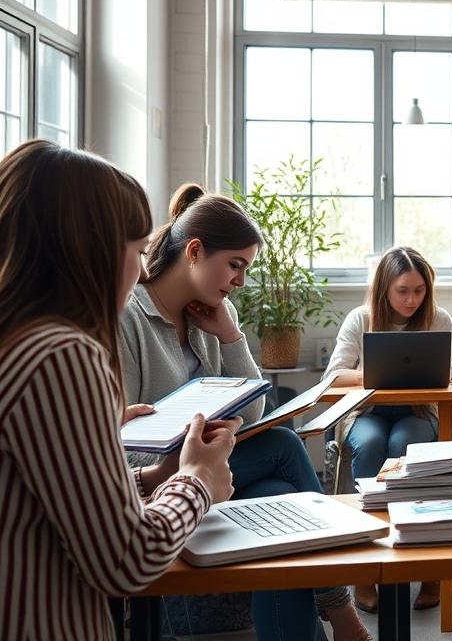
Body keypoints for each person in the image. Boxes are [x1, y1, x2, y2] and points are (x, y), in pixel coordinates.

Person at [0, 140, 235, 640]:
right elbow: (127, 561)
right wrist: (197, 480)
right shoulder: (61, 355)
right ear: (85, 250)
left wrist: (142, 477)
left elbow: (17, 502)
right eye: (138, 251)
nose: (143, 270)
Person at [121, 183, 368, 641]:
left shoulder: (212, 315)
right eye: (235, 265)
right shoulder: (131, 317)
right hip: (163, 473)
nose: (239, 281)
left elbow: (253, 413)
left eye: (245, 269)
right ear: (194, 251)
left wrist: (231, 338)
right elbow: (123, 446)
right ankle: (342, 613)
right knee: (283, 446)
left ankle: (339, 618)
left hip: (217, 467)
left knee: (277, 489)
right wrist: (180, 461)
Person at [323, 245, 452, 613]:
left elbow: (448, 375)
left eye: (419, 290)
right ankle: (367, 567)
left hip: (416, 412)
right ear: (384, 288)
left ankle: (426, 566)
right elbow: (333, 375)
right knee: (371, 443)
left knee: (405, 442)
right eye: (403, 291)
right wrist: (376, 374)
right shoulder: (360, 318)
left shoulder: (438, 318)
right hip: (365, 413)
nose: (412, 299)